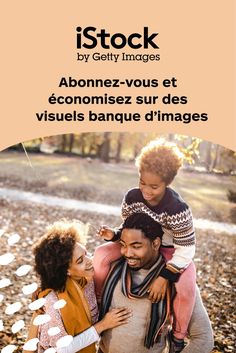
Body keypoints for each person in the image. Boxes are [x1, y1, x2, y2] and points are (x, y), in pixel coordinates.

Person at [94, 139, 199, 351]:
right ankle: (96, 306)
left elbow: (187, 248)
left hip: (171, 250)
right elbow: (129, 228)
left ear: (167, 182)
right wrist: (114, 234)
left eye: (154, 186)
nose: (146, 191)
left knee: (186, 286)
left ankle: (177, 335)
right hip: (138, 243)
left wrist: (164, 277)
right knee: (100, 255)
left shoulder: (178, 209)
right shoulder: (133, 197)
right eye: (142, 182)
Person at [95, 213, 214, 353]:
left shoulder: (176, 281)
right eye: (123, 245)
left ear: (156, 243)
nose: (127, 253)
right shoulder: (110, 268)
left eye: (136, 246)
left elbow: (204, 338)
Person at [26, 220, 132, 353]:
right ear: (66, 270)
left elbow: (110, 253)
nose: (90, 261)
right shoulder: (53, 302)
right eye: (80, 260)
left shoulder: (87, 280)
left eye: (86, 253)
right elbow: (61, 350)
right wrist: (103, 325)